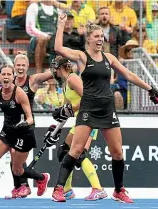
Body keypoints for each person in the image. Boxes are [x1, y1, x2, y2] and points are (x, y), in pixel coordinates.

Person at [51, 13, 158, 203]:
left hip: (107, 109)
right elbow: (58, 48)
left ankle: (119, 191)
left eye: (102, 36)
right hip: (88, 108)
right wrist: (61, 25)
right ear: (89, 39)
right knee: (76, 150)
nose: (100, 39)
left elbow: (128, 75)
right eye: (96, 36)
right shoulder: (82, 57)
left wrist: (150, 88)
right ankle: (59, 189)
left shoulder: (109, 57)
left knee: (117, 152)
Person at [0, 49, 54, 198]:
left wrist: (64, 60)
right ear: (14, 68)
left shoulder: (29, 83)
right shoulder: (2, 86)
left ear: (27, 67)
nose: (20, 68)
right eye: (18, 65)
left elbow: (52, 73)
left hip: (24, 129)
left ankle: (29, 183)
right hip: (7, 130)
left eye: (23, 65)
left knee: (17, 167)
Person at [50, 56, 107, 201]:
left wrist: (68, 108)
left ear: (58, 68)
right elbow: (66, 111)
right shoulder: (64, 85)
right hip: (79, 120)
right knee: (63, 152)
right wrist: (55, 129)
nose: (53, 73)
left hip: (89, 118)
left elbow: (88, 98)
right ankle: (67, 190)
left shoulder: (72, 79)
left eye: (54, 69)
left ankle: (98, 189)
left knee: (79, 155)